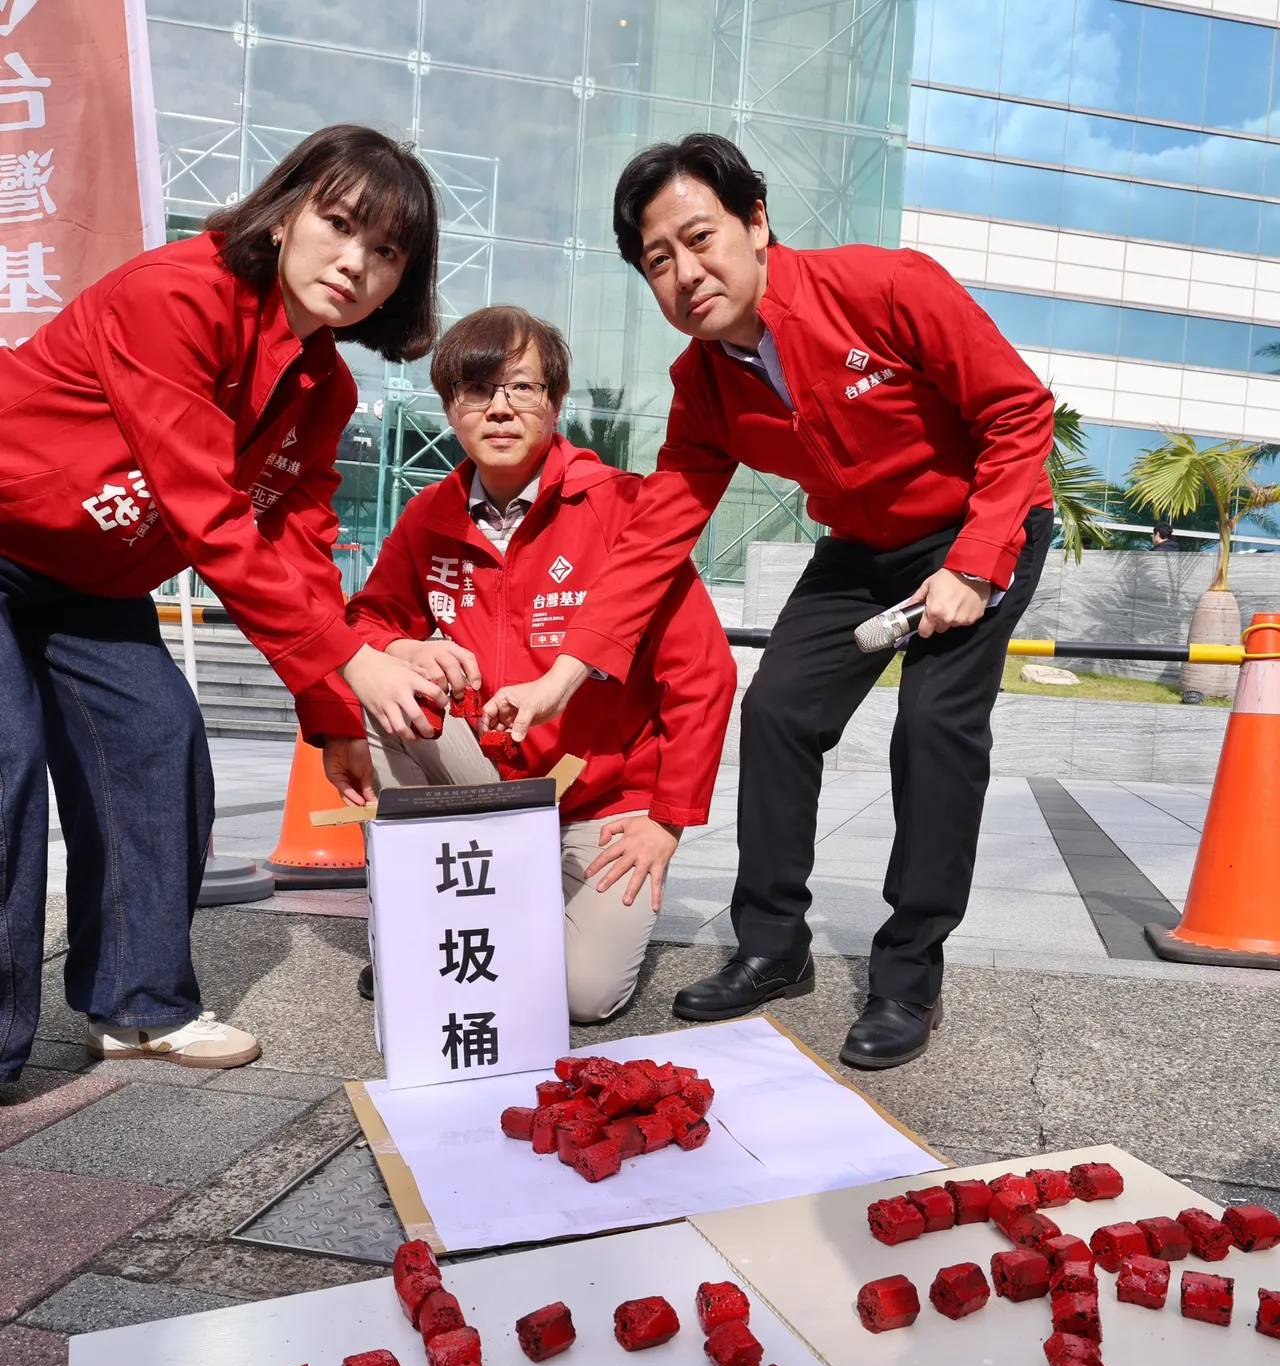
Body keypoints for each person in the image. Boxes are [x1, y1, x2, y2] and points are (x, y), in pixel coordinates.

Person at [483, 134, 1056, 1069]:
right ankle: (773, 946)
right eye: (657, 261)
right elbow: (654, 539)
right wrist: (564, 674)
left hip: (983, 523)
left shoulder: (885, 287)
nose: (685, 273)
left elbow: (1018, 410)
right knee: (780, 710)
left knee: (933, 726)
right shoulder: (702, 385)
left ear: (755, 222)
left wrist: (976, 561)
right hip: (860, 547)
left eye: (699, 238)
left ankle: (909, 975)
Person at [0, 124, 450, 1086]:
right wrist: (354, 660)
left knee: (158, 739)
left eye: (386, 253)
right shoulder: (178, 294)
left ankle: (137, 1006)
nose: (355, 262)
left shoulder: (322, 388)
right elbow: (206, 513)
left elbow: (297, 544)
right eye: (339, 224)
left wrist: (333, 712)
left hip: (92, 584)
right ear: (284, 215)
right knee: (6, 760)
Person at [311, 304, 736, 1023]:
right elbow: (365, 623)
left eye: (522, 388)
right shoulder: (429, 516)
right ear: (450, 407)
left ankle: (499, 911)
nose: (500, 408)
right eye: (477, 390)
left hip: (600, 799)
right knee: (375, 691)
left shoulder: (622, 509)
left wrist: (666, 820)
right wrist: (407, 648)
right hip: (486, 782)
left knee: (582, 996)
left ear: (556, 400)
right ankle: (422, 920)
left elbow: (702, 673)